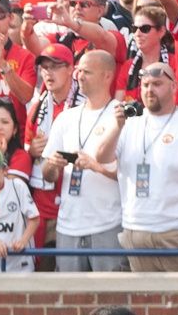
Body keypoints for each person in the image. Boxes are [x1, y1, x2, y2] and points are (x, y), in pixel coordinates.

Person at [94, 62, 178, 272]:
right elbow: (102, 156)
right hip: (136, 232)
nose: (149, 90)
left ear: (174, 87)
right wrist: (117, 127)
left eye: (157, 84)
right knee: (144, 302)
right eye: (145, 85)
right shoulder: (129, 122)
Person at [40, 49, 123, 273]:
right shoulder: (66, 117)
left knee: (111, 300)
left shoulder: (121, 116)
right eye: (78, 71)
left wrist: (96, 167)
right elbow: (47, 174)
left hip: (108, 223)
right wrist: (54, 165)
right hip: (68, 224)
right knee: (70, 301)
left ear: (107, 76)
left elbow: (131, 175)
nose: (79, 76)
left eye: (86, 72)